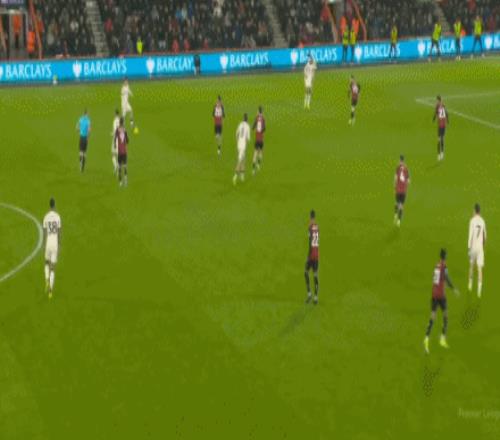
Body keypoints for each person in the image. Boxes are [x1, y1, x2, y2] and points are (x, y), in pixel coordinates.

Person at [423, 249, 459, 354]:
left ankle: (426, 338)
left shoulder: (437, 265)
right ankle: (442, 339)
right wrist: (454, 289)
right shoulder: (444, 266)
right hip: (441, 296)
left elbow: (436, 279)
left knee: (432, 318)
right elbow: (447, 279)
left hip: (434, 295)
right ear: (445, 256)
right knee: (446, 316)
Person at [43, 198, 61, 299]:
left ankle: (46, 279)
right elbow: (59, 232)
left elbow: (44, 233)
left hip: (48, 242)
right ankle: (50, 291)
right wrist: (59, 245)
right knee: (53, 268)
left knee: (46, 262)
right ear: (54, 205)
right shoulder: (58, 217)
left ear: (49, 205)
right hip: (55, 243)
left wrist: (44, 245)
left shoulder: (46, 217)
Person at [468, 203, 487, 297]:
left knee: (471, 266)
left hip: (473, 247)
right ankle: (479, 292)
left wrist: (469, 247)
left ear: (475, 210)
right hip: (480, 248)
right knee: (479, 269)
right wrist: (483, 246)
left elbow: (470, 235)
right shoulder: (482, 221)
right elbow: (485, 236)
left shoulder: (472, 221)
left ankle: (470, 286)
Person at [305, 210, 319, 305]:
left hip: (311, 255)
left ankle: (309, 294)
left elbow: (310, 243)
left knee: (306, 272)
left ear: (310, 217)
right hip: (317, 254)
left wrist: (308, 256)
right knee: (315, 275)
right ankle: (316, 297)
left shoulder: (310, 227)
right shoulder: (317, 227)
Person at [233, 113, 250, 185]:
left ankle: (242, 175)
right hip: (243, 145)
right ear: (247, 119)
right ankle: (235, 176)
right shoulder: (247, 126)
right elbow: (248, 138)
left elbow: (236, 134)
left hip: (239, 144)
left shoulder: (240, 124)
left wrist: (238, 141)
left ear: (243, 118)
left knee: (243, 159)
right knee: (239, 161)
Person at [394, 155, 410, 227]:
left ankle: (395, 214)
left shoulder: (398, 168)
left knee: (397, 203)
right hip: (403, 191)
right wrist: (405, 186)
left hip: (398, 190)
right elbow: (408, 181)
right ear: (404, 160)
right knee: (401, 206)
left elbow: (395, 178)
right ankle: (399, 221)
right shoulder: (406, 168)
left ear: (400, 160)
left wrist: (395, 186)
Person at [433, 95, 449, 161]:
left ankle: (439, 155)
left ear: (437, 99)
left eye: (437, 100)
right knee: (442, 139)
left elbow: (436, 113)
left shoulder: (437, 105)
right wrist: (448, 121)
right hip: (444, 125)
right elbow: (447, 113)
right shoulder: (443, 105)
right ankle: (442, 153)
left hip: (440, 125)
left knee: (439, 139)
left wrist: (433, 119)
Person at [115, 117, 129, 186]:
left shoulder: (117, 129)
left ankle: (120, 182)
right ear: (123, 122)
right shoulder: (125, 129)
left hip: (119, 151)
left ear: (119, 122)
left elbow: (115, 138)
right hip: (124, 151)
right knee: (125, 166)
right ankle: (125, 181)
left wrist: (115, 145)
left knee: (119, 167)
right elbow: (128, 140)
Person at [252, 106, 266, 175]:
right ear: (262, 111)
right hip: (261, 140)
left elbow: (253, 127)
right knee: (260, 152)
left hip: (257, 139)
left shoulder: (256, 118)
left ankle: (253, 170)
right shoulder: (263, 118)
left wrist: (255, 129)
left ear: (258, 111)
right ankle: (258, 164)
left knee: (255, 154)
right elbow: (264, 129)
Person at [111, 109, 120, 174]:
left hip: (115, 139)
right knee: (119, 155)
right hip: (120, 140)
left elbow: (115, 131)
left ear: (115, 113)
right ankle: (118, 169)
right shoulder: (120, 120)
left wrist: (112, 134)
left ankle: (116, 166)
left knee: (113, 154)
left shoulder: (114, 121)